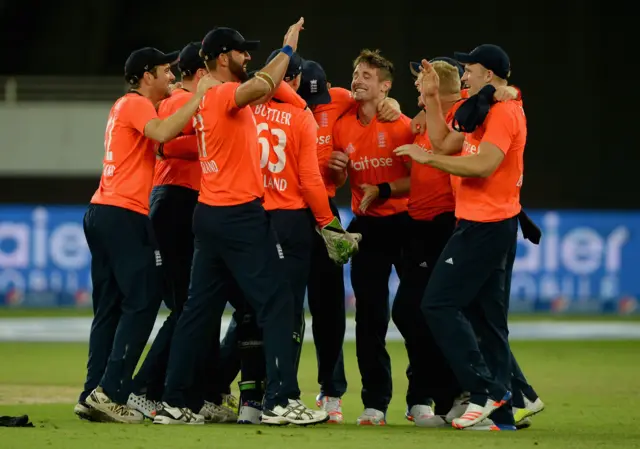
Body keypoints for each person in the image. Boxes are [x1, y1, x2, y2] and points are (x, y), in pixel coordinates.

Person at [154, 20, 345, 426]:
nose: (248, 58)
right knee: (277, 302)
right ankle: (280, 401)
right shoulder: (225, 93)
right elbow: (261, 86)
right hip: (239, 214)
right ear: (224, 57)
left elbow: (171, 142)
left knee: (197, 311)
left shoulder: (206, 97)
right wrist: (288, 49)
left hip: (208, 213)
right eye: (242, 52)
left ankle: (174, 401)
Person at [75, 46, 217, 424]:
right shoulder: (137, 104)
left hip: (102, 210)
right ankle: (111, 392)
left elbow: (168, 145)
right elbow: (164, 132)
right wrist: (200, 97)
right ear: (146, 76)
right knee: (144, 300)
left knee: (109, 308)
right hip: (124, 213)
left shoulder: (127, 108)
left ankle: (92, 392)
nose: (172, 76)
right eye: (165, 71)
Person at [395, 44, 526, 431]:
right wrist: (433, 97)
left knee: (437, 304)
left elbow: (484, 164)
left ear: (489, 73)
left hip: (485, 226)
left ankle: (483, 392)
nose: (464, 76)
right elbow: (445, 142)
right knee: (488, 321)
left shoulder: (504, 111)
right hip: (477, 224)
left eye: (469, 70)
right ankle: (501, 414)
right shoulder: (485, 110)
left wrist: (429, 161)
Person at [124, 42, 238, 424]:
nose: (170, 76)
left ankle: (192, 391)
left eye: (174, 70)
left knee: (198, 306)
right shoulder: (178, 102)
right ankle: (144, 389)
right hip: (176, 203)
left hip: (187, 203)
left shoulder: (190, 99)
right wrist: (219, 143)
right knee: (190, 307)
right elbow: (167, 145)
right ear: (201, 72)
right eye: (166, 71)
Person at [297, 59, 401, 424]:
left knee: (328, 308)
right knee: (279, 307)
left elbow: (378, 106)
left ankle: (331, 392)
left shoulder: (339, 100)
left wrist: (395, 105)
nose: (315, 106)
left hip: (324, 210)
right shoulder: (274, 105)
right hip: (284, 210)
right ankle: (273, 392)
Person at [330, 49, 414, 426]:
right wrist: (333, 170)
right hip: (366, 227)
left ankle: (422, 399)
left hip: (407, 223)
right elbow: (333, 177)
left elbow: (423, 179)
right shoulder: (341, 124)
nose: (358, 79)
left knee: (415, 314)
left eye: (368, 75)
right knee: (369, 317)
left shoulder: (402, 125)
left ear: (386, 86)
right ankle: (375, 403)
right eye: (356, 72)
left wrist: (383, 189)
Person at [392, 59, 462, 428]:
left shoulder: (462, 117)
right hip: (417, 226)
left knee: (417, 311)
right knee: (418, 313)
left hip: (444, 224)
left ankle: (459, 394)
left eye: (422, 84)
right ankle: (449, 396)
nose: (417, 91)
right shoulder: (427, 119)